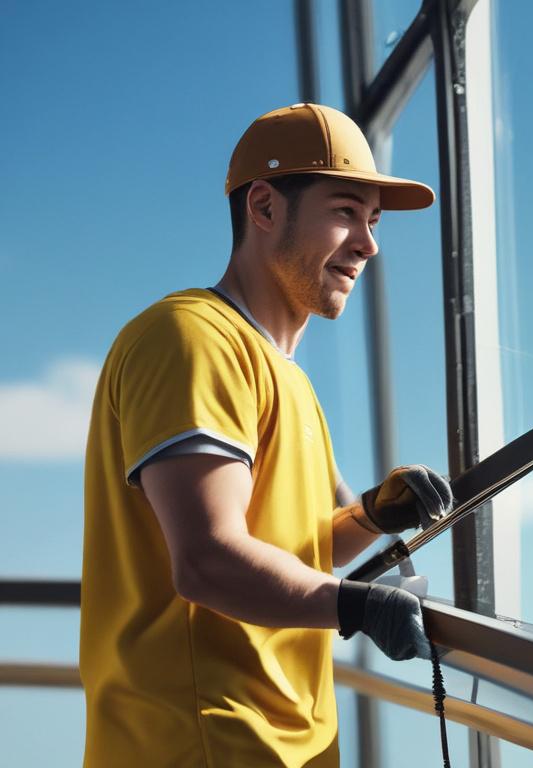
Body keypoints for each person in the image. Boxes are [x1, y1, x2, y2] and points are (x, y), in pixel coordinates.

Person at [79, 103, 452, 767]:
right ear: (264, 207)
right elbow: (209, 560)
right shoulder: (191, 340)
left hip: (283, 742)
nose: (369, 244)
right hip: (203, 743)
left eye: (373, 220)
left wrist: (371, 513)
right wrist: (358, 609)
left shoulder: (289, 378)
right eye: (345, 211)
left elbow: (305, 547)